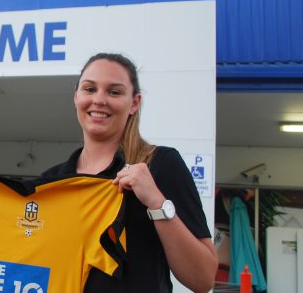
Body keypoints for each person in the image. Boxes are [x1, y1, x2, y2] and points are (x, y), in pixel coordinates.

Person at [41, 53, 217, 293]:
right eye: (89, 89)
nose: (99, 100)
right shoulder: (52, 181)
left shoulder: (161, 164)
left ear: (134, 103)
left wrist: (156, 202)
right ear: (76, 96)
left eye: (114, 92)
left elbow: (203, 279)